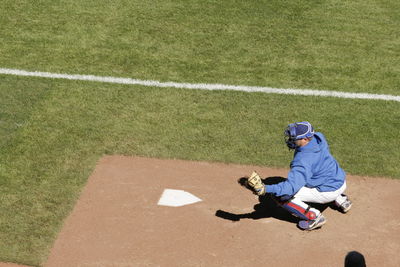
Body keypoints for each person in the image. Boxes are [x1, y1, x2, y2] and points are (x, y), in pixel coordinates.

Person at [247, 121, 352, 230]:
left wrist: (265, 188)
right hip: (340, 180)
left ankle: (314, 217)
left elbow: (290, 187)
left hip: (328, 192)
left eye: (294, 138)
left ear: (305, 139)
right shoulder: (319, 137)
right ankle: (342, 200)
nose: (291, 140)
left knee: (281, 195)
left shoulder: (303, 161)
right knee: (319, 171)